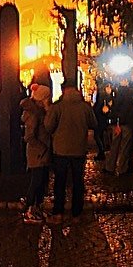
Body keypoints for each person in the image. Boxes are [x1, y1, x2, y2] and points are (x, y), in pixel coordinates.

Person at [44, 83, 97, 223]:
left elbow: (48, 127)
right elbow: (93, 123)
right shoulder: (85, 107)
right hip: (79, 149)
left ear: (64, 90)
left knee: (60, 182)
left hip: (60, 150)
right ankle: (76, 214)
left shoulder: (57, 107)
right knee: (78, 182)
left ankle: (58, 213)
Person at [20, 84, 52, 222]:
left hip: (41, 153)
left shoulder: (39, 111)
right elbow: (29, 136)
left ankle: (37, 207)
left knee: (41, 181)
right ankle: (29, 209)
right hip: (37, 154)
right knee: (36, 181)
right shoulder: (34, 114)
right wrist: (42, 148)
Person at [107, 81, 133, 177]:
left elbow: (115, 108)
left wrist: (116, 122)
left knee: (115, 146)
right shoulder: (132, 96)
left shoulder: (119, 94)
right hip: (127, 123)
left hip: (120, 123)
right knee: (124, 148)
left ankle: (110, 167)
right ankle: (121, 168)